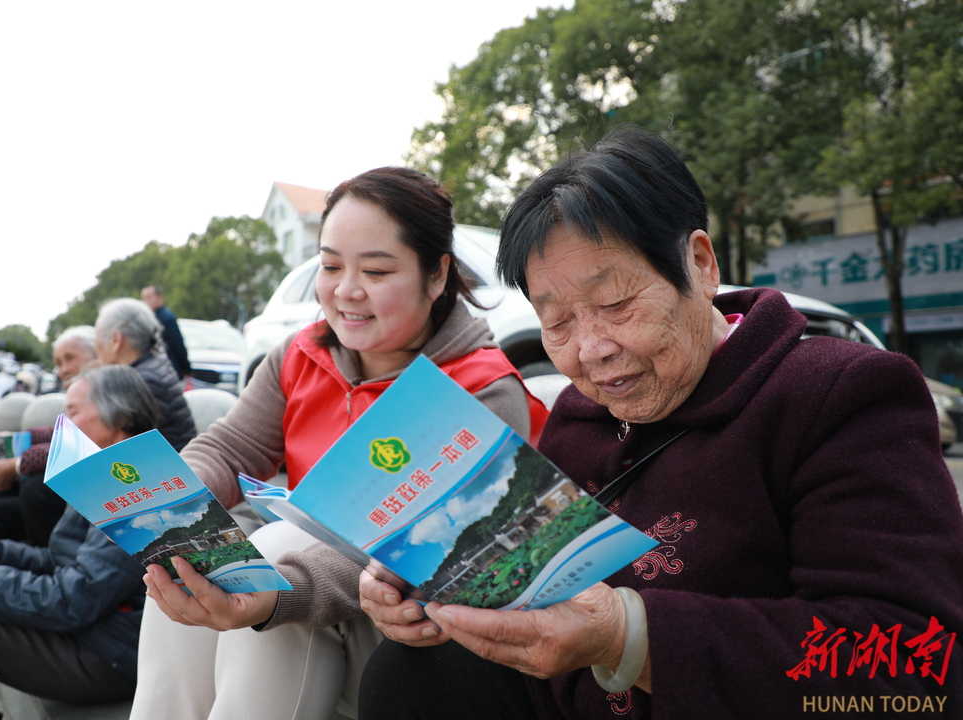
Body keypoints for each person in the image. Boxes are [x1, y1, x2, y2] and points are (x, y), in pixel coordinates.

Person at [352, 126, 963, 719]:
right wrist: (433, 586)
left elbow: (919, 669)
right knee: (408, 674)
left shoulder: (840, 396)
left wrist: (630, 637)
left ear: (699, 264)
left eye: (616, 304)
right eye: (557, 321)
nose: (590, 350)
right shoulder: (578, 416)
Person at [131, 166, 547, 720]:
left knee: (276, 549)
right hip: (294, 599)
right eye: (329, 266)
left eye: (375, 270)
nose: (346, 290)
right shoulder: (300, 355)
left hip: (404, 638)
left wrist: (283, 589)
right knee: (184, 564)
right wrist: (176, 501)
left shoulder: (479, 390)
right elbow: (228, 449)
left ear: (437, 274)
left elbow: (414, 555)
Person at [0, 364, 159, 719]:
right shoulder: (107, 469)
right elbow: (61, 561)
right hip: (99, 632)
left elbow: (75, 598)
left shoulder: (136, 485)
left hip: (111, 652)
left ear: (119, 417)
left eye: (73, 413)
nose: (62, 428)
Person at [0, 325, 99, 546]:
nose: (63, 369)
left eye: (70, 359)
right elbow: (60, 434)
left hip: (92, 491)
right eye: (58, 363)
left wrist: (17, 463)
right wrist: (20, 439)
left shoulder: (106, 392)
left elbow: (82, 443)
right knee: (0, 504)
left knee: (23, 495)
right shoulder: (85, 392)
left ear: (99, 355)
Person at [95, 296, 198, 452]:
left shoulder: (138, 383)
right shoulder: (154, 367)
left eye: (96, 337)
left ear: (116, 340)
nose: (94, 346)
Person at [142, 284, 191, 381]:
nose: (145, 302)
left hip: (168, 370)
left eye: (149, 297)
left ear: (159, 298)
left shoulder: (166, 318)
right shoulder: (147, 318)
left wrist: (186, 369)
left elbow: (178, 344)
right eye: (143, 298)